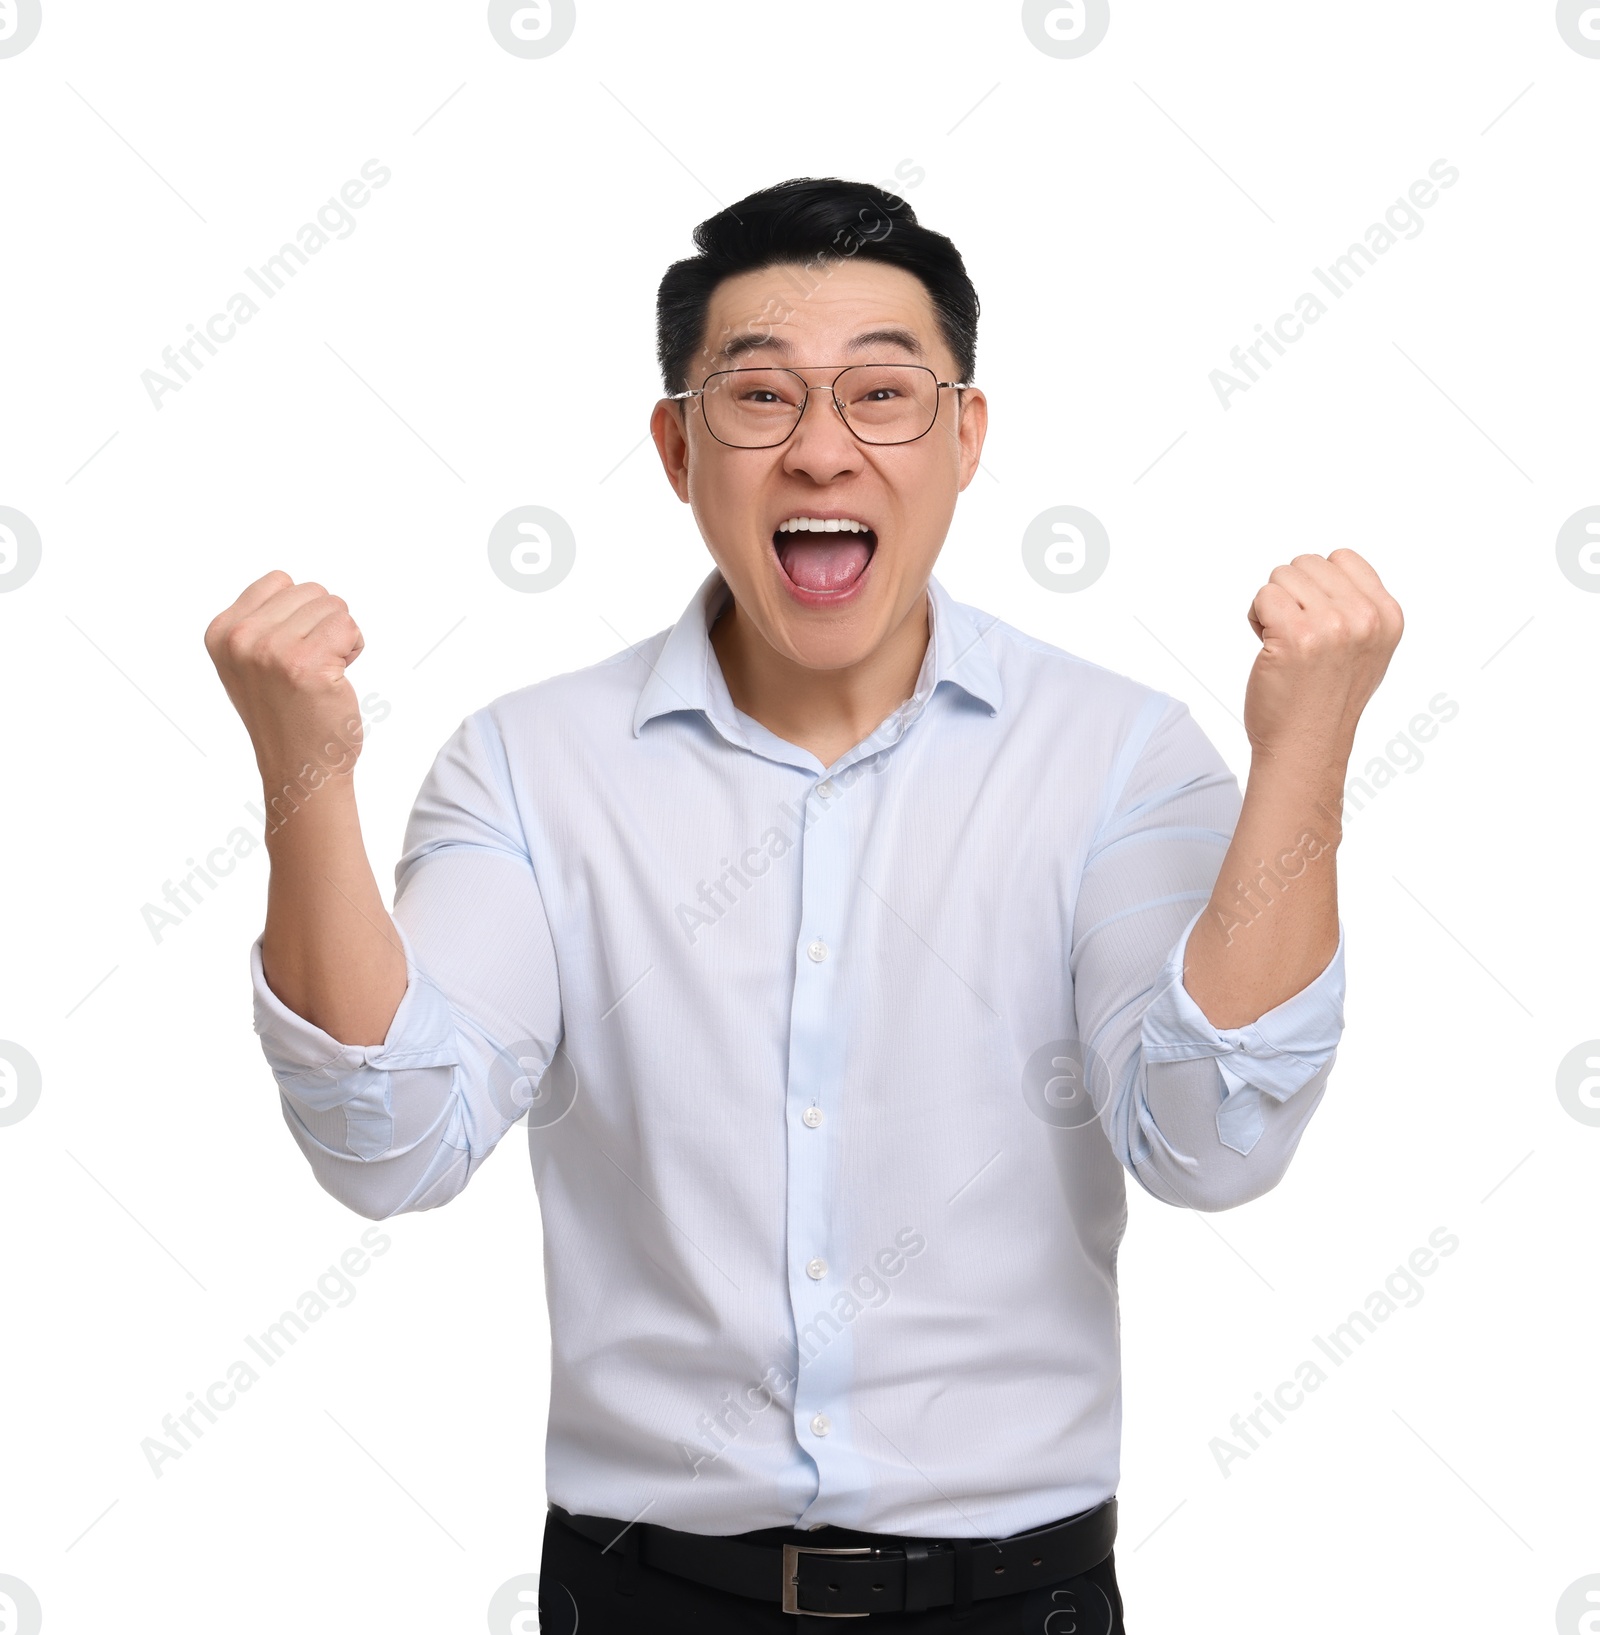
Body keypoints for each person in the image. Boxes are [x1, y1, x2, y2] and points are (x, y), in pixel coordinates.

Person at [204, 177, 1403, 1631]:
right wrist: (304, 777)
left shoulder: (1118, 756)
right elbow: (389, 1146)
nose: (824, 451)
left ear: (965, 438)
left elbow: (1211, 1144)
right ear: (676, 448)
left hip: (1016, 1600)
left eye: (884, 395)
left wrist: (1310, 754)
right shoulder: (531, 766)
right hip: (641, 1595)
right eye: (759, 397)